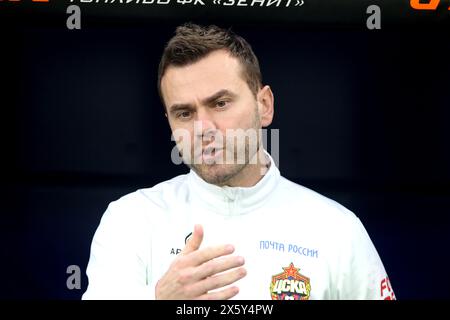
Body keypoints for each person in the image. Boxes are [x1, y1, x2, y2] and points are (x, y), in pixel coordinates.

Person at [82, 23, 395, 300]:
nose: (203, 128)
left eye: (220, 103)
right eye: (185, 113)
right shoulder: (131, 220)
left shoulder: (337, 230)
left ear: (264, 105)